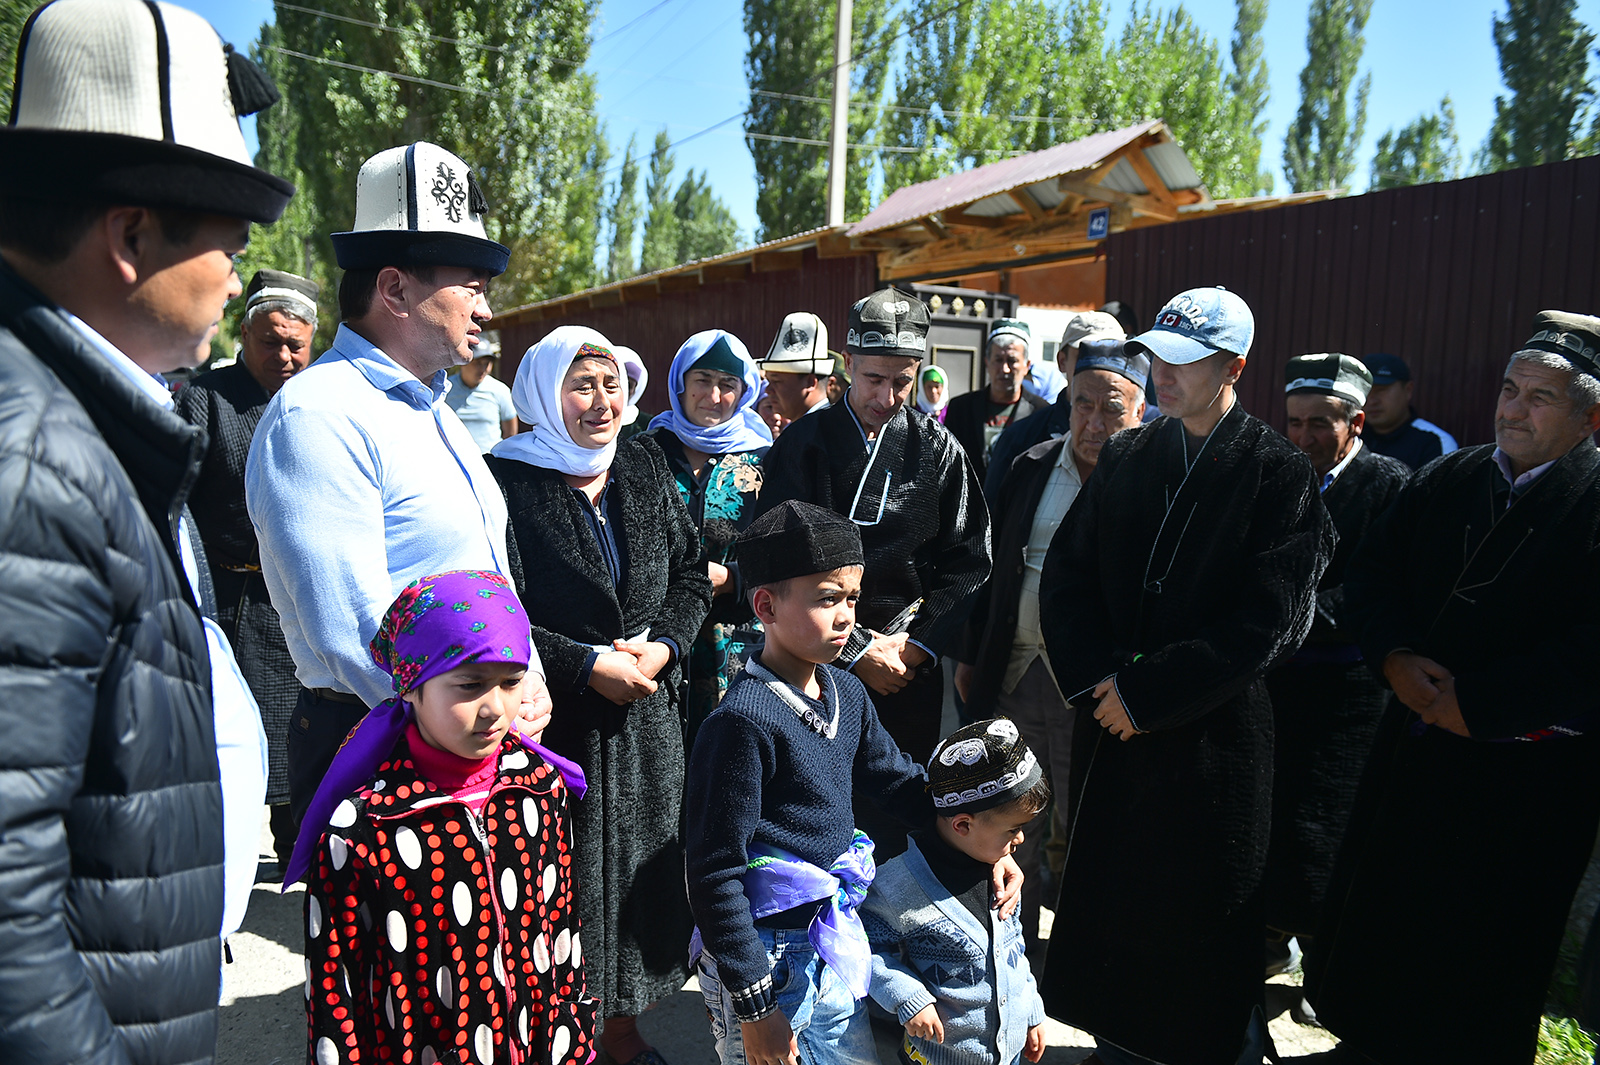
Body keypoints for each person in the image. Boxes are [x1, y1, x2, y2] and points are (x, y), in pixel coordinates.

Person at [0, 1, 293, 1056]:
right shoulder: (34, 464)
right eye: (228, 240)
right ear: (130, 235)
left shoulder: (79, 425)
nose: (233, 275)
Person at [1037, 286, 1334, 1065]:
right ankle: (1116, 1041)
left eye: (1184, 360)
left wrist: (1149, 691)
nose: (1160, 374)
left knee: (1199, 916)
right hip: (1111, 722)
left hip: (1213, 734)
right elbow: (1066, 574)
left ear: (1234, 366)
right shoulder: (1132, 452)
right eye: (1155, 355)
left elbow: (1268, 621)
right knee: (1114, 901)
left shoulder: (1278, 472)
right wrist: (1101, 681)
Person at [1304, 312, 1600, 1065]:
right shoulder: (1452, 477)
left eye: (1540, 397)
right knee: (1388, 918)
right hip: (1416, 752)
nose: (1512, 409)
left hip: (1529, 782)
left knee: (1484, 952)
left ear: (1589, 417)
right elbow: (1372, 575)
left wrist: (1483, 704)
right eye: (1509, 388)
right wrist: (1395, 656)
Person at [247, 141, 545, 826]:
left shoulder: (430, 409)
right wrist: (488, 715)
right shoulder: (319, 414)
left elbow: (487, 581)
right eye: (469, 284)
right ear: (394, 289)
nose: (484, 309)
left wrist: (526, 686)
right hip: (385, 747)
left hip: (467, 737)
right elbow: (352, 629)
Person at [685, 502, 1020, 1065]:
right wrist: (755, 1009)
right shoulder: (740, 724)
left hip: (834, 938)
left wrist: (986, 847)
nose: (845, 617)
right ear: (765, 605)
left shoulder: (847, 693)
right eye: (825, 598)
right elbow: (714, 872)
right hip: (767, 959)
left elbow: (901, 786)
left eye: (852, 599)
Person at [488, 326, 713, 1065]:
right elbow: (500, 602)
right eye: (581, 385)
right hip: (556, 719)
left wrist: (667, 644)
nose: (601, 401)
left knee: (637, 884)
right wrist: (582, 663)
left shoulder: (644, 466)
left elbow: (689, 573)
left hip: (648, 712)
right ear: (544, 395)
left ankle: (621, 1031)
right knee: (562, 879)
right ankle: (562, 1035)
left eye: (612, 383)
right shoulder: (507, 480)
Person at [290, 570, 597, 1065]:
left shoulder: (540, 786)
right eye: (470, 685)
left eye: (512, 682)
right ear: (411, 687)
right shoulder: (363, 829)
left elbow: (560, 927)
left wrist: (575, 1036)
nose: (495, 708)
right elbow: (335, 991)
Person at [758, 288, 991, 858]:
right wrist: (854, 649)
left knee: (895, 813)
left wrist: (918, 648)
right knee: (805, 806)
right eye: (874, 380)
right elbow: (773, 556)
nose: (887, 397)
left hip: (906, 665)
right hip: (810, 658)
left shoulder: (940, 449)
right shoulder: (803, 445)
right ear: (849, 366)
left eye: (902, 382)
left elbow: (971, 560)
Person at [953, 340, 1148, 950]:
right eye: (1081, 404)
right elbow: (990, 568)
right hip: (1013, 678)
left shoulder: (1153, 482)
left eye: (1111, 409)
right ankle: (1014, 962)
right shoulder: (1032, 466)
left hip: (1093, 694)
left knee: (1092, 833)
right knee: (1010, 828)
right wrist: (969, 654)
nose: (1092, 423)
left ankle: (1082, 967)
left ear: (1141, 410)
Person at [1263, 354, 1410, 979]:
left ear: (1355, 421)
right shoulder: (1278, 477)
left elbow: (1384, 588)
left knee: (1332, 827)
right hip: (1277, 683)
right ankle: (1265, 940)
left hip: (1348, 693)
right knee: (1273, 818)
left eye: (1320, 423)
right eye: (1295, 422)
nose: (1305, 437)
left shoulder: (1389, 484)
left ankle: (1328, 963)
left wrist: (1291, 615)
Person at [177, 267, 320, 866]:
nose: (284, 356)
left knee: (300, 735)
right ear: (244, 332)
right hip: (231, 600)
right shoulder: (205, 397)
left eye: (297, 344)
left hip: (300, 601)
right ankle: (220, 852)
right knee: (230, 734)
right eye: (271, 341)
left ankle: (299, 853)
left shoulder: (321, 404)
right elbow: (177, 496)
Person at [862, 718, 1050, 1065]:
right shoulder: (897, 886)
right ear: (963, 824)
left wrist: (1031, 1010)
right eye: (1014, 829)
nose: (1020, 839)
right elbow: (866, 948)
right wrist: (908, 997)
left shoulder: (1002, 877)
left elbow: (1014, 949)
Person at [639, 329, 773, 737]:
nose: (714, 397)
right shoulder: (646, 452)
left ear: (744, 390)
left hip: (736, 634)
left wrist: (733, 578)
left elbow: (781, 552)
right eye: (702, 381)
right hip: (656, 634)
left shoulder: (765, 458)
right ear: (679, 384)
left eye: (728, 384)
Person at [983, 310, 1125, 502]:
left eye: (1112, 355)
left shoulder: (1144, 442)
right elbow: (992, 518)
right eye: (1087, 355)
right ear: (1062, 361)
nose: (1099, 367)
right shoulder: (1022, 439)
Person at [944, 318, 1049, 482]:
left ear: (1027, 365)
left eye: (1012, 361)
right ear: (987, 362)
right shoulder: (961, 409)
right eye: (998, 360)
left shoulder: (1042, 412)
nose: (1004, 369)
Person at [1357, 352, 1458, 469]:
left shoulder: (1436, 442)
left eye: (1381, 390)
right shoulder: (1349, 437)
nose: (1372, 400)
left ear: (1408, 390)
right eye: (1366, 391)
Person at [445, 337, 518, 451]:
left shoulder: (500, 390)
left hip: (490, 462)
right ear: (463, 361)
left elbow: (511, 432)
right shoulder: (445, 388)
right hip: (455, 461)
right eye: (478, 363)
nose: (483, 369)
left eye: (487, 363)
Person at [762, 311, 833, 422]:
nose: (768, 390)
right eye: (769, 381)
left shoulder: (824, 433)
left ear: (810, 382)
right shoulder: (803, 430)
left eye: (776, 381)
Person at [617, 345, 653, 439]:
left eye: (629, 385)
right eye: (618, 382)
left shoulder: (648, 425)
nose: (623, 389)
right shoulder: (593, 419)